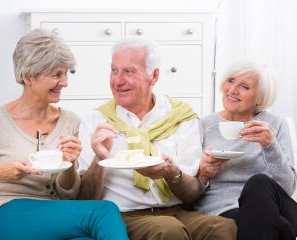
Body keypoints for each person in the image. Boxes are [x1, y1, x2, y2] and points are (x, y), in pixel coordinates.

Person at [0, 29, 128, 240]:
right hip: (1, 213)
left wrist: (69, 166)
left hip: (52, 215)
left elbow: (68, 194)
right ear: (27, 77)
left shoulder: (71, 121)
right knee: (103, 211)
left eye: (66, 73)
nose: (65, 82)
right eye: (56, 75)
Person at [77, 38, 237, 240]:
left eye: (129, 71)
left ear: (154, 76)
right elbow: (84, 199)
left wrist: (172, 173)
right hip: (122, 215)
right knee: (168, 229)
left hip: (176, 211)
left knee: (223, 228)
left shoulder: (180, 117)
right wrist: (99, 159)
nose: (117, 81)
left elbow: (192, 193)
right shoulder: (95, 121)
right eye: (114, 70)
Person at [194, 59, 297, 240]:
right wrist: (204, 172)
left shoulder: (274, 125)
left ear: (260, 97)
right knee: (277, 226)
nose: (232, 90)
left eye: (244, 86)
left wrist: (270, 145)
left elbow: (287, 187)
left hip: (279, 205)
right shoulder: (203, 126)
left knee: (259, 182)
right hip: (225, 209)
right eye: (231, 80)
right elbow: (192, 186)